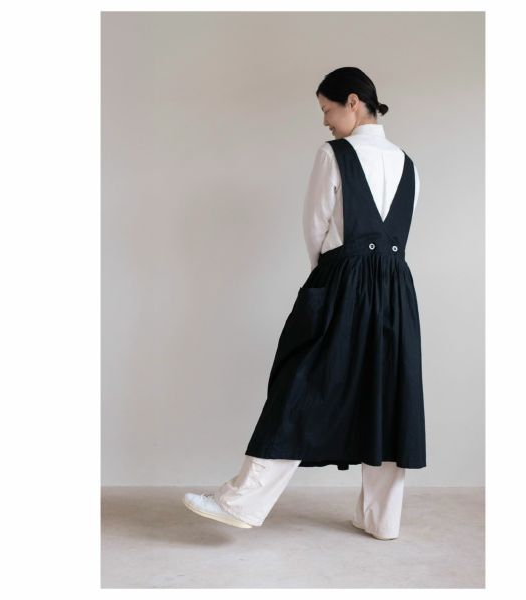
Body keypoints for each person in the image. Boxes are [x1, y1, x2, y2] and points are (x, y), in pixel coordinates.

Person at [183, 67, 426, 540]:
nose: (325, 122)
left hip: (342, 278)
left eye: (327, 109)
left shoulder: (332, 154)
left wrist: (328, 278)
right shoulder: (408, 164)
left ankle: (241, 502)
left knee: (302, 384)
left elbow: (316, 226)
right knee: (388, 392)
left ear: (353, 101)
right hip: (397, 287)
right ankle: (382, 521)